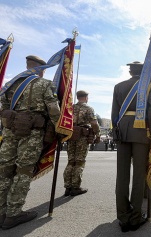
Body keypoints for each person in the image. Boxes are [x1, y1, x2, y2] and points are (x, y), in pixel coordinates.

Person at [0, 55, 62, 229]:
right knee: (23, 171)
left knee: (4, 170)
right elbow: (53, 109)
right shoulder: (44, 84)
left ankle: (2, 212)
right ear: (41, 70)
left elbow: (3, 108)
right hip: (32, 133)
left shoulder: (11, 84)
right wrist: (60, 128)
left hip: (10, 132)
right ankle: (13, 213)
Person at [111, 61, 151, 232]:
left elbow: (114, 114)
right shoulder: (149, 86)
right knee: (139, 174)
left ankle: (123, 216)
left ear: (130, 71)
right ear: (143, 71)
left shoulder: (119, 86)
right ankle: (136, 216)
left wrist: (116, 131)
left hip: (122, 131)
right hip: (141, 132)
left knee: (122, 175)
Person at [63, 90, 100, 196]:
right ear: (86, 97)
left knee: (71, 161)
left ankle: (67, 187)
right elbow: (94, 123)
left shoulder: (71, 107)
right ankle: (75, 187)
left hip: (71, 136)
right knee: (79, 162)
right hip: (82, 137)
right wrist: (97, 134)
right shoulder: (88, 108)